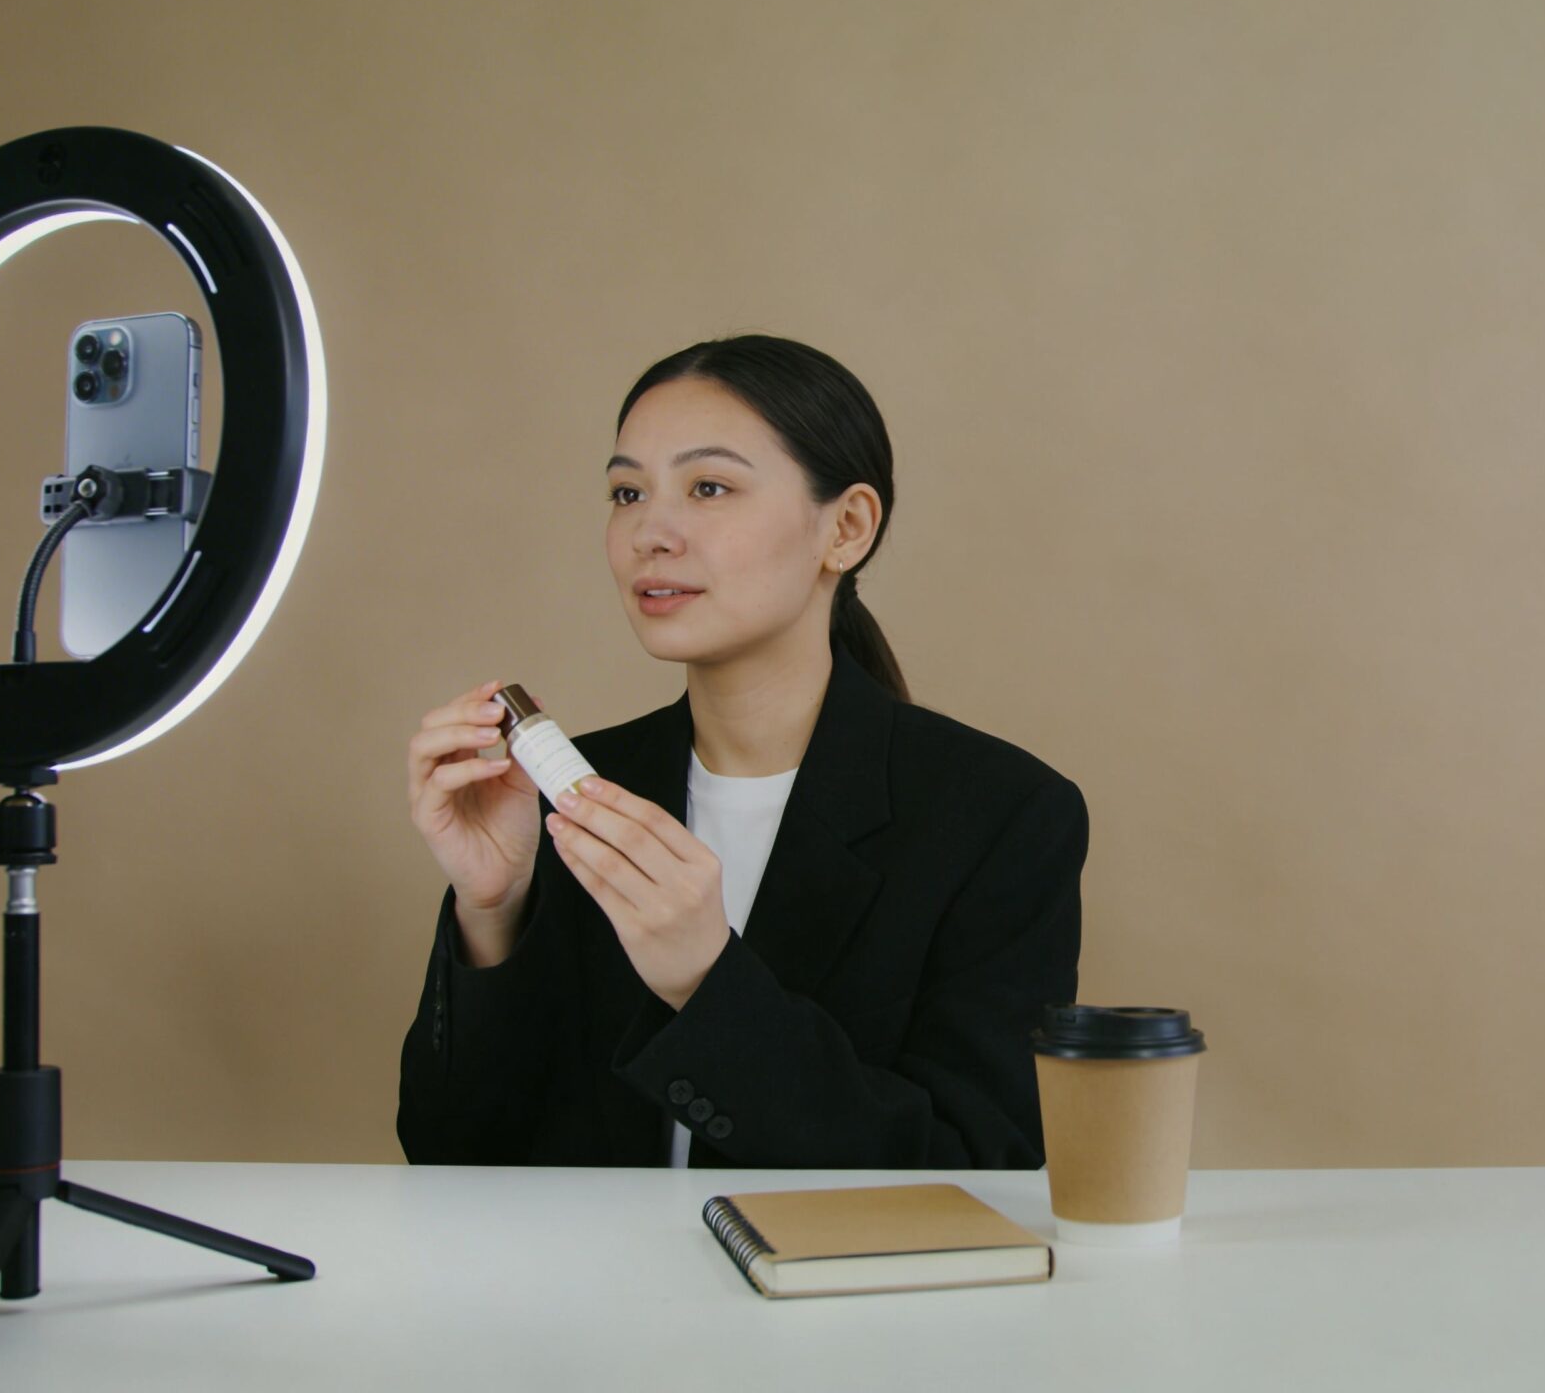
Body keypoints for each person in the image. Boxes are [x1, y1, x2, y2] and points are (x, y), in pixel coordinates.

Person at [397, 334, 1085, 1170]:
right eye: (626, 493)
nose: (651, 532)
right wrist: (493, 913)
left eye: (709, 487)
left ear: (848, 527)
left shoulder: (1001, 814)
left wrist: (706, 981)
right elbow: (452, 1154)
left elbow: (977, 1168)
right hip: (597, 1301)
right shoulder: (572, 795)